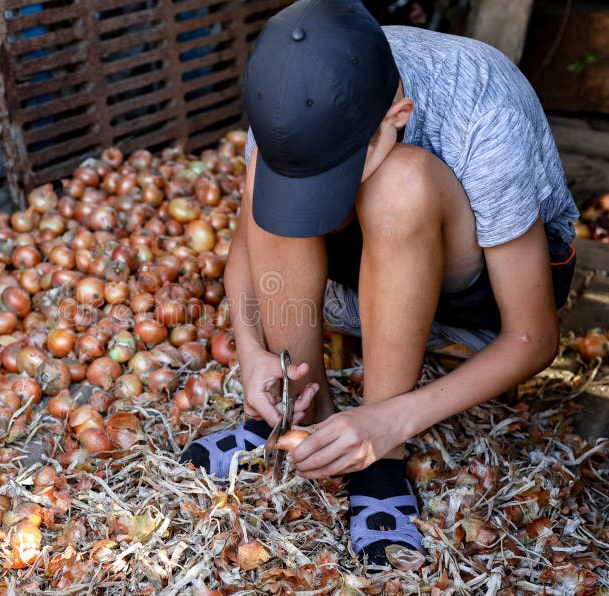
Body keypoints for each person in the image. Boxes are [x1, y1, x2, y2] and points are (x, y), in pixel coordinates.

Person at [180, 0, 579, 566]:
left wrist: (389, 420)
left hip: (478, 294)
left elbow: (534, 339)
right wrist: (251, 353)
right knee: (264, 176)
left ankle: (381, 457)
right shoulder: (289, 97)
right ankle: (301, 410)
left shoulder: (483, 106)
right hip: (361, 278)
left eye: (335, 177)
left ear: (398, 114)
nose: (320, 202)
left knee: (400, 183)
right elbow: (245, 251)